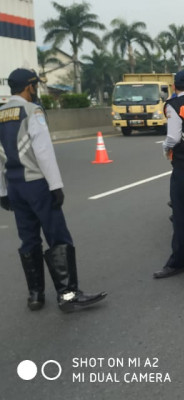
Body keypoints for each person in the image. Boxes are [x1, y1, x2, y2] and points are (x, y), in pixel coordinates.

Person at [0, 68, 107, 312]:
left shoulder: (1, 114)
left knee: (28, 239)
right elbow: (44, 153)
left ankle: (36, 295)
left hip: (15, 187)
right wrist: (56, 186)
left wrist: (2, 191)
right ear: (29, 87)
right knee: (57, 237)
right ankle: (68, 295)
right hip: (37, 184)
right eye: (35, 85)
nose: (36, 89)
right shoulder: (32, 111)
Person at [154, 70, 184, 279]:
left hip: (183, 166)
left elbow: (173, 137)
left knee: (182, 216)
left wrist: (165, 149)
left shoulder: (173, 105)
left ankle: (177, 263)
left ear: (174, 87)